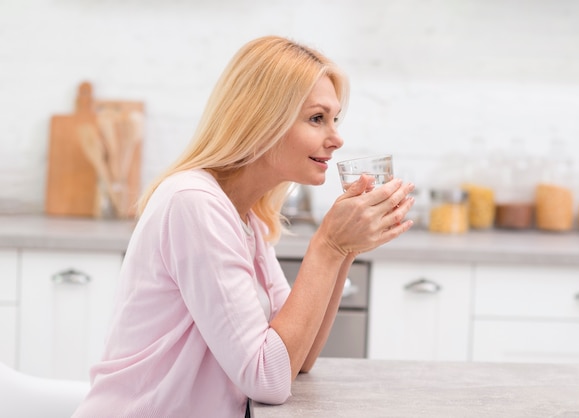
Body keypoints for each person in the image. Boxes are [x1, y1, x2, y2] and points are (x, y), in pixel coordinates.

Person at [72, 35, 415, 418]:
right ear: (263, 120)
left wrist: (346, 249)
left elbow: (296, 360)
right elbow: (266, 379)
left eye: (335, 119)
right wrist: (328, 245)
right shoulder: (194, 203)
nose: (336, 138)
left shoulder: (245, 216)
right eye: (317, 118)